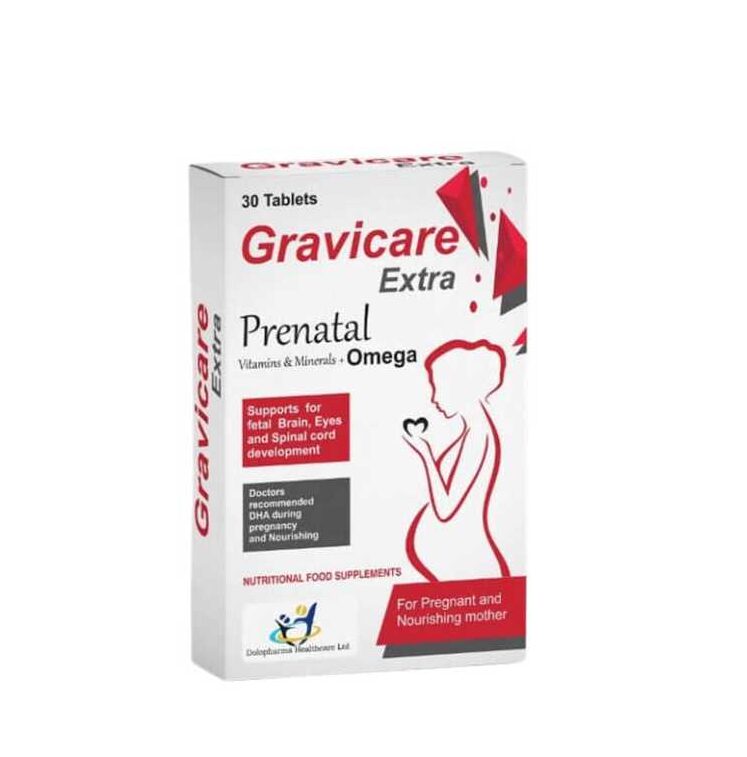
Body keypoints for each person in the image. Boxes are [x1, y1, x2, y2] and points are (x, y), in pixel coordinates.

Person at [403, 339, 510, 581]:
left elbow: (445, 509)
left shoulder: (477, 437)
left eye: (437, 386)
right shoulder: (471, 434)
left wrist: (425, 453)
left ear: (460, 388)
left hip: (473, 574)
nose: (433, 398)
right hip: (460, 575)